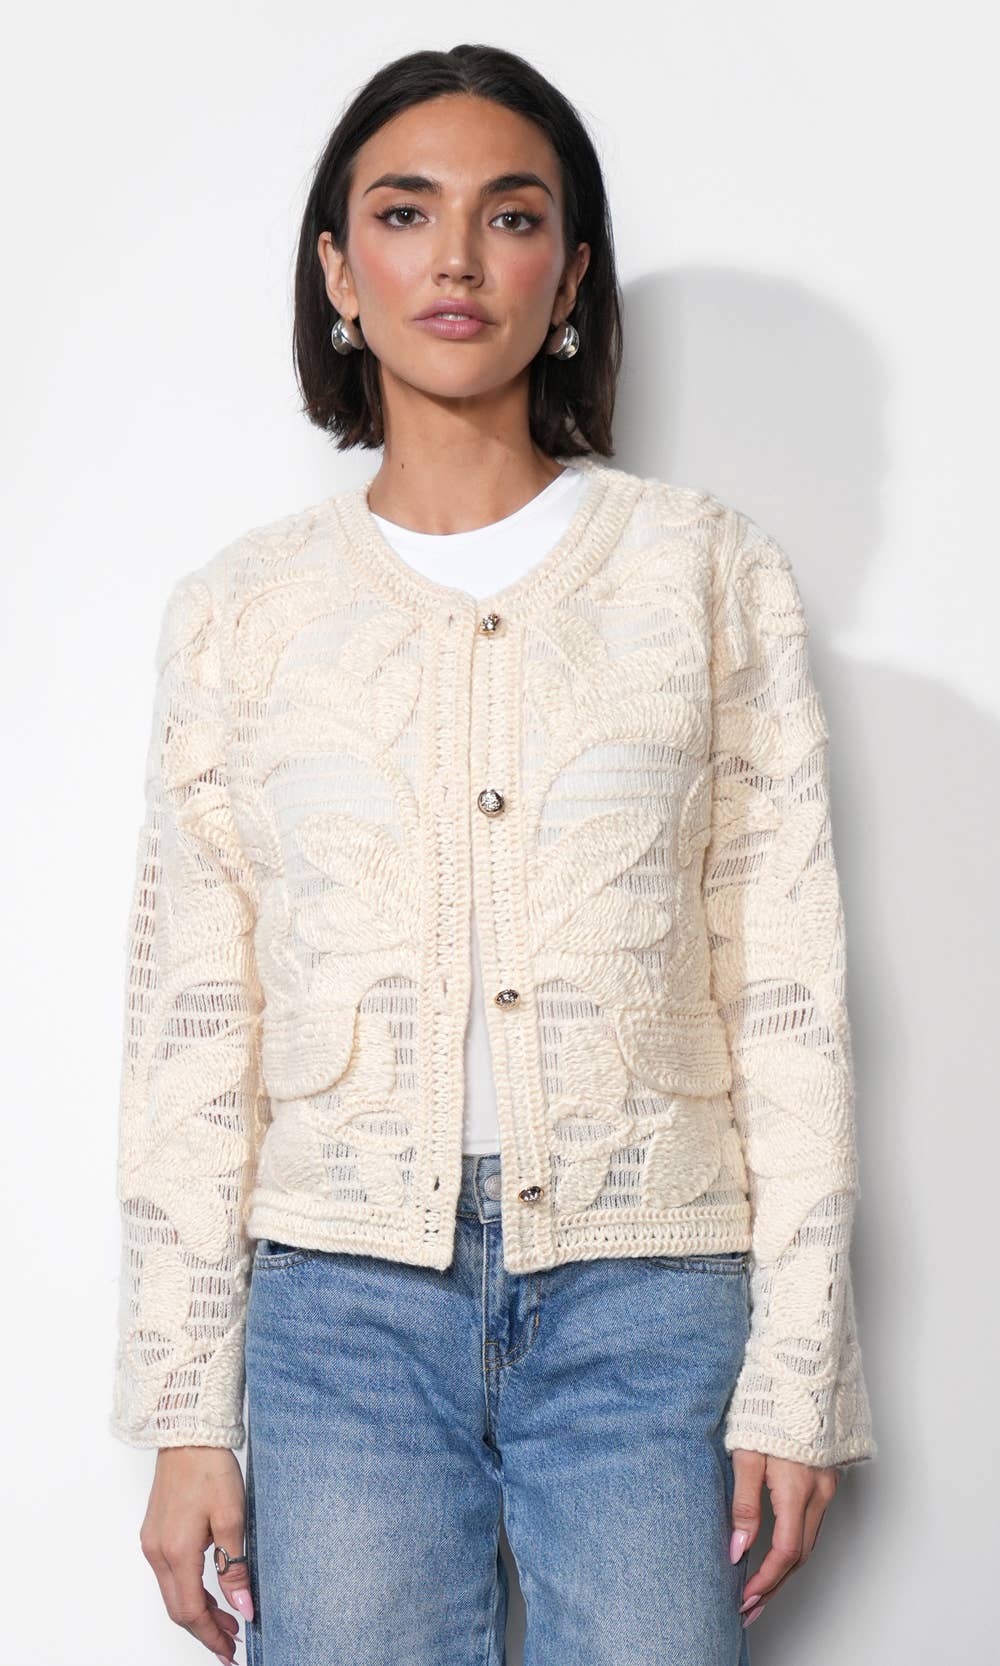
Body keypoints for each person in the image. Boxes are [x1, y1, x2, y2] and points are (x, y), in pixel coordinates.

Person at [111, 41, 877, 1666]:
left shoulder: (706, 575)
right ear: (339, 271)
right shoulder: (241, 615)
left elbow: (789, 988)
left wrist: (799, 1370)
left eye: (512, 215)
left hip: (650, 1294)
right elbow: (192, 1026)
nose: (456, 258)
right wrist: (186, 1408)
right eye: (405, 213)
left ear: (572, 275)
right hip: (339, 1310)